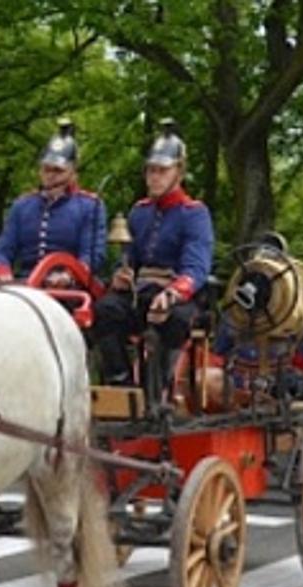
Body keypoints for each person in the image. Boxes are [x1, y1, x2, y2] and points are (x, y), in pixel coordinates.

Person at [94, 118, 214, 386]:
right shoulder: (140, 211)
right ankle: (121, 383)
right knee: (105, 309)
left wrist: (172, 294)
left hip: (177, 297)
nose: (154, 177)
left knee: (174, 320)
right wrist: (121, 275)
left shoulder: (195, 214)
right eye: (151, 171)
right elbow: (129, 258)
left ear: (178, 173)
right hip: (141, 293)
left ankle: (157, 392)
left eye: (162, 171)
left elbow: (196, 268)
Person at [0, 118, 108, 290]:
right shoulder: (22, 206)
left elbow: (91, 256)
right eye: (46, 169)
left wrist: (68, 276)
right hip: (24, 284)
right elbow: (2, 251)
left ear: (73, 172)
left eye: (58, 171)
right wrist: (3, 272)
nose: (50, 176)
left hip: (69, 288)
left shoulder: (90, 206)